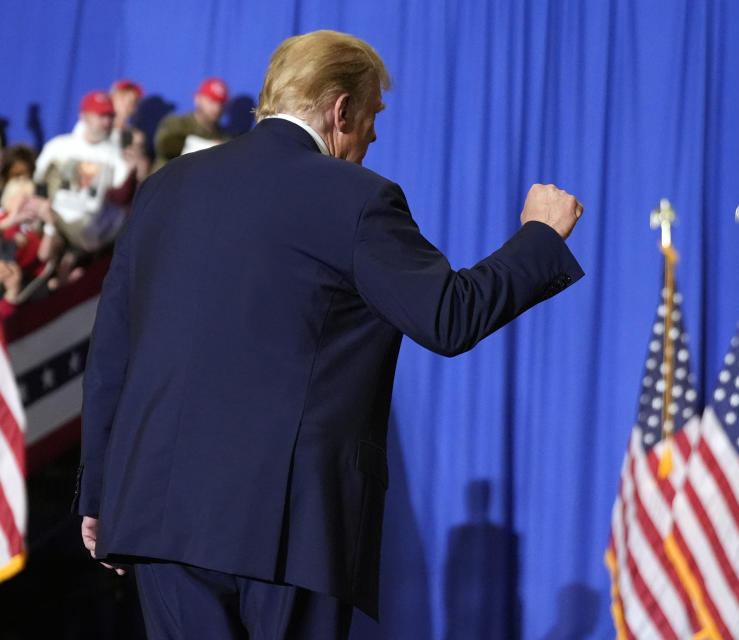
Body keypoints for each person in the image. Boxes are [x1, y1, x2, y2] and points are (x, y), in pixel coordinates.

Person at [75, 30, 584, 639]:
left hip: (158, 516)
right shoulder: (357, 198)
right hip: (285, 527)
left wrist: (101, 492)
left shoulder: (166, 187)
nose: (373, 136)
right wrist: (540, 238)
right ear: (341, 108)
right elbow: (448, 316)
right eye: (372, 116)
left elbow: (111, 352)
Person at [33, 90, 138, 252]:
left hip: (90, 229)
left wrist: (131, 173)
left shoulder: (117, 155)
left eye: (110, 116)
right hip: (54, 217)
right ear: (84, 116)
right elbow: (38, 181)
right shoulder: (60, 146)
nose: (106, 121)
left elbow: (120, 199)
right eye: (100, 115)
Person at [152, 76, 229, 171]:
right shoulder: (176, 123)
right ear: (197, 99)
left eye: (221, 103)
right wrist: (210, 146)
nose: (216, 108)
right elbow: (166, 146)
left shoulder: (223, 137)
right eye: (211, 101)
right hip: (167, 182)